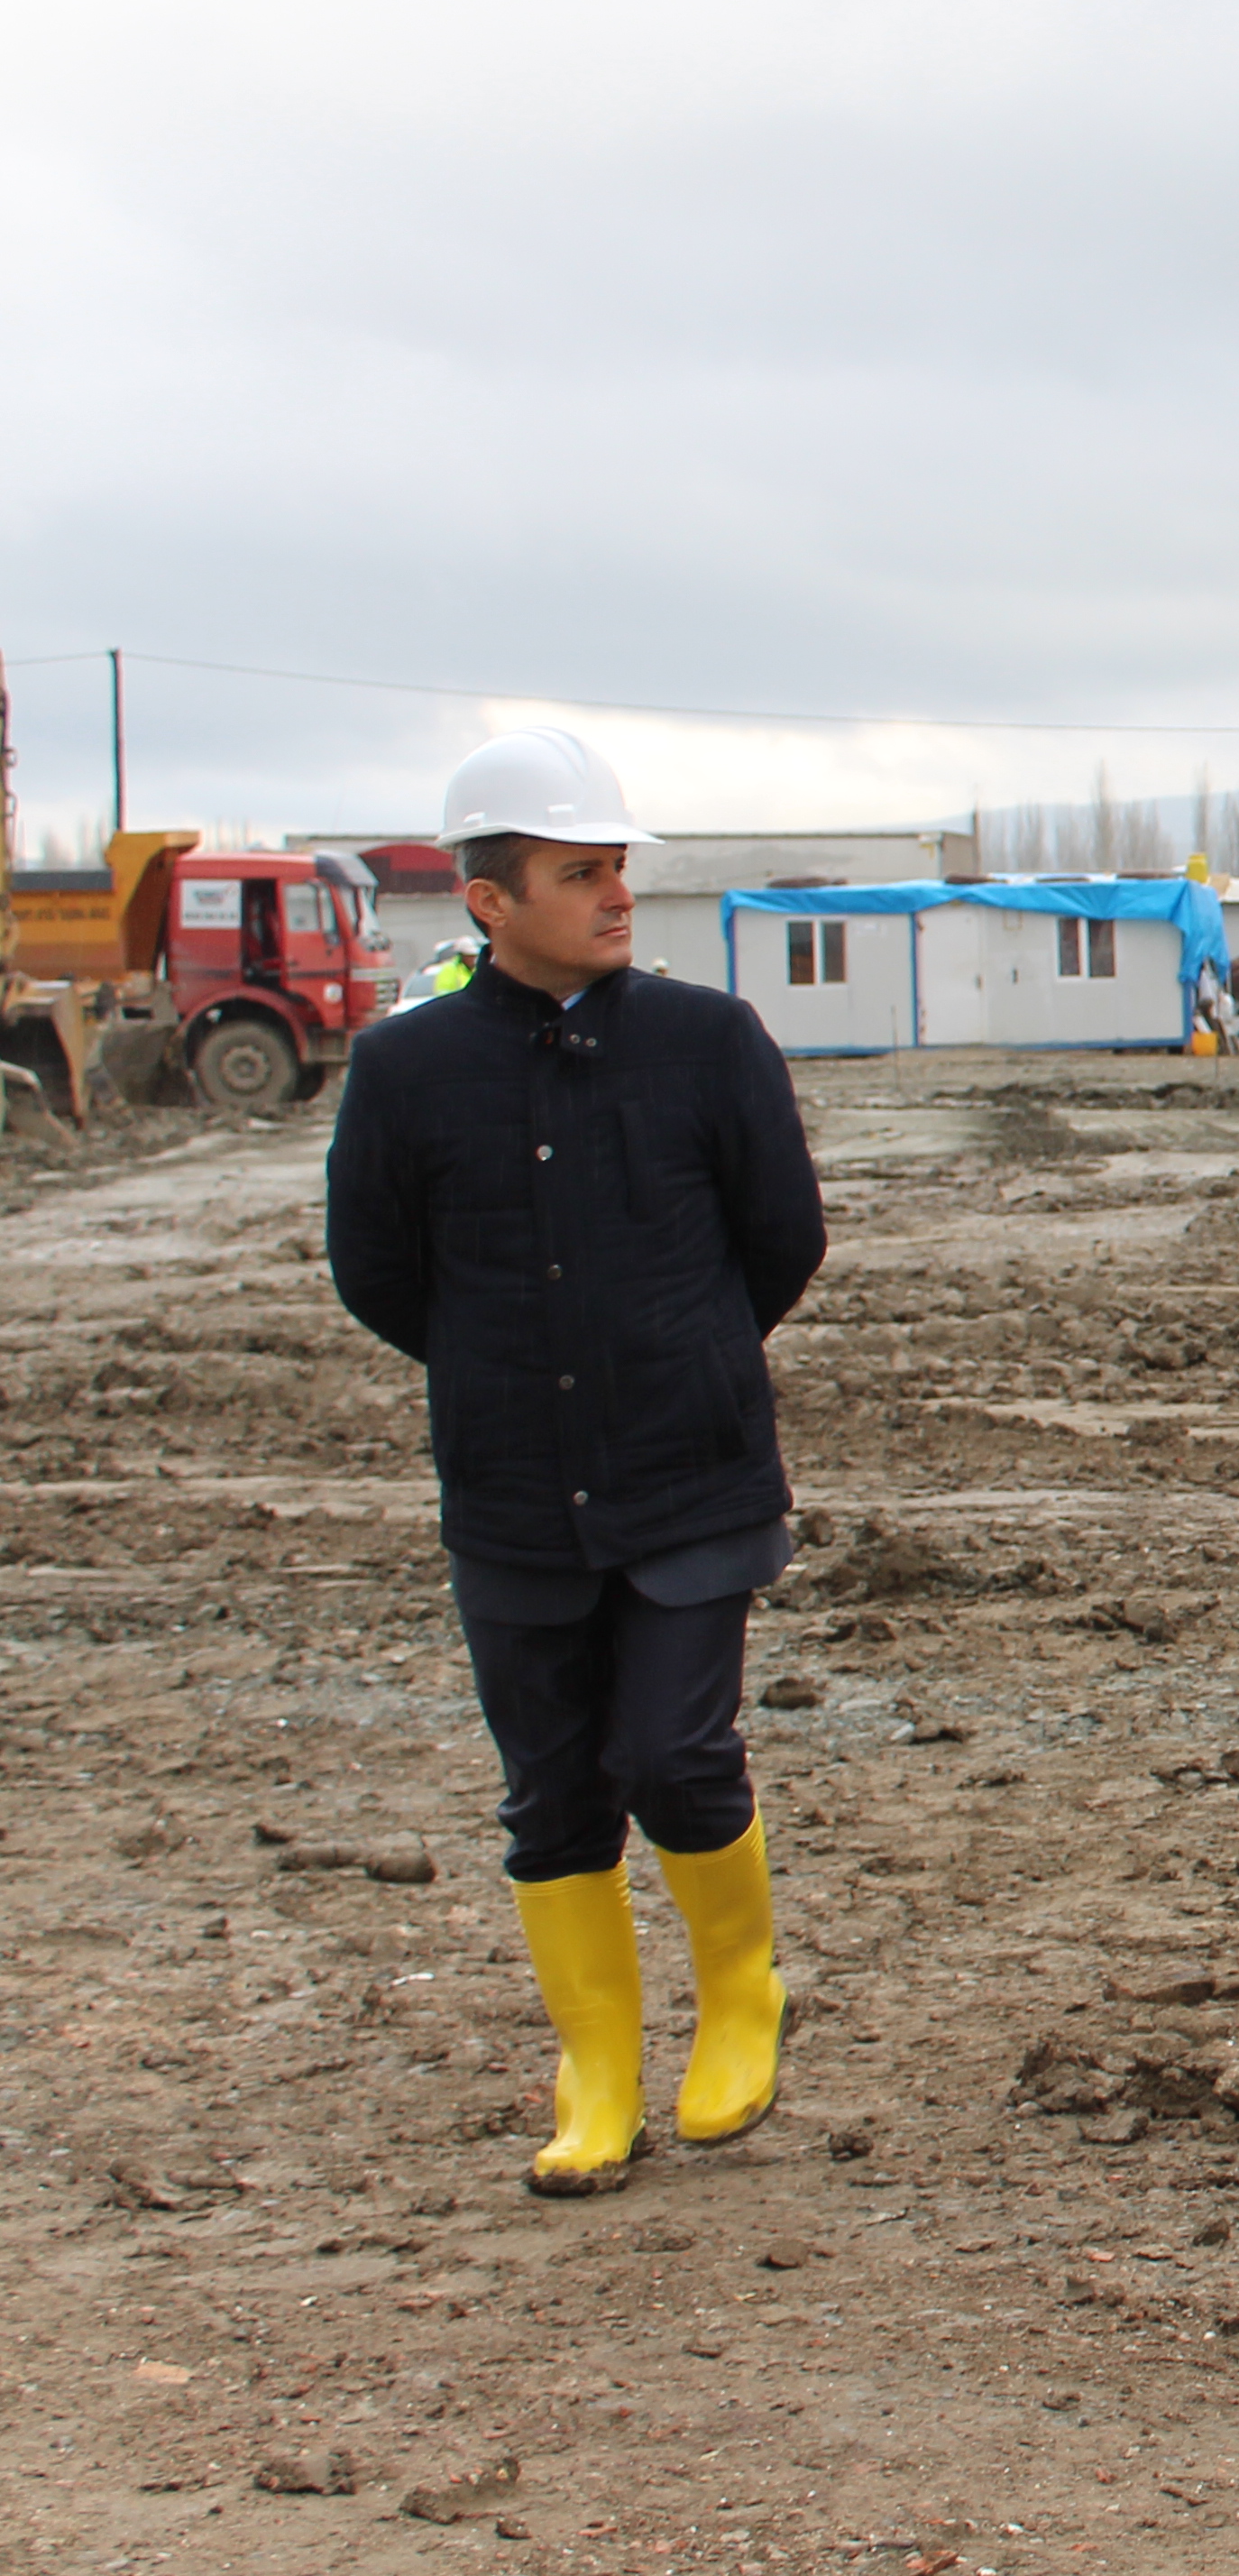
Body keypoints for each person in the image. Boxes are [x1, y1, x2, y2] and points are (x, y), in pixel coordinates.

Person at [323, 726, 823, 2197]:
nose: (615, 896)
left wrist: (680, 1352)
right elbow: (379, 1274)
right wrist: (505, 1373)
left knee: (673, 1750)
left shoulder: (704, 1044)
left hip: (693, 1477)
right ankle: (597, 2063)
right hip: (514, 1496)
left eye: (618, 868)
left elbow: (779, 1240)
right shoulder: (405, 1070)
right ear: (489, 899)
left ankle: (741, 1994)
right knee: (551, 1793)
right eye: (580, 872)